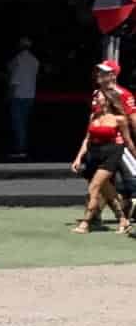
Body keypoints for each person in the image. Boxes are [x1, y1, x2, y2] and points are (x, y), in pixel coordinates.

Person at [69, 64, 132, 235]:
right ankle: (120, 218)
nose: (98, 74)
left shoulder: (123, 94)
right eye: (98, 71)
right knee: (105, 188)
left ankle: (87, 221)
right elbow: (89, 133)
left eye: (103, 72)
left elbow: (132, 120)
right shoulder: (96, 95)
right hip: (96, 148)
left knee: (103, 185)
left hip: (116, 147)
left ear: (112, 75)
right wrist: (79, 157)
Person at [7, 37, 40, 159]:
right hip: (30, 95)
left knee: (18, 123)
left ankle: (20, 149)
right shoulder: (35, 61)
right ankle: (23, 147)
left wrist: (9, 94)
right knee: (25, 123)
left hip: (18, 95)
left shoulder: (18, 60)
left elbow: (14, 80)